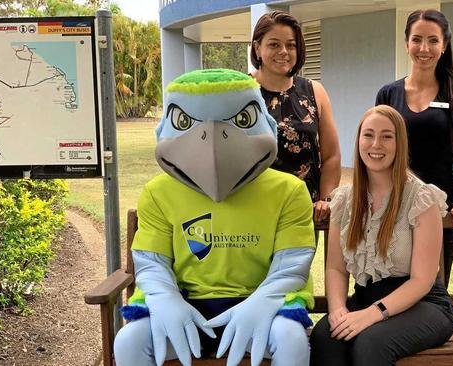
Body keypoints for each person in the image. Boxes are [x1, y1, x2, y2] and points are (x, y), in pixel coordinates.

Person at [113, 69, 315, 366]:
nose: (212, 144)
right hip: (187, 309)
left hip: (258, 307)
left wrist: (263, 301)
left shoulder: (289, 191)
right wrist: (166, 299)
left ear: (266, 123)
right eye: (184, 123)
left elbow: (291, 264)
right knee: (129, 341)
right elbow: (152, 262)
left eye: (243, 120)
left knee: (291, 339)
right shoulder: (158, 192)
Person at [309, 105, 453, 366]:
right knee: (326, 336)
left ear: (400, 143)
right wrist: (338, 310)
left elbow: (422, 280)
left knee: (371, 343)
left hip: (423, 304)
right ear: (358, 141)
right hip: (365, 298)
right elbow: (335, 268)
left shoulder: (421, 198)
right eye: (368, 135)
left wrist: (373, 314)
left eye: (387, 136)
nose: (376, 144)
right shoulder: (344, 199)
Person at [375, 9, 453, 286]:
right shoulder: (388, 94)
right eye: (417, 39)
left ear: (444, 45)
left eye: (433, 40)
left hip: (441, 207)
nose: (424, 48)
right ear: (406, 43)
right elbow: (376, 152)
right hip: (392, 206)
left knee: (434, 287)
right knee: (391, 284)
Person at [250, 10, 341, 222]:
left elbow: (331, 156)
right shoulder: (239, 93)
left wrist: (326, 200)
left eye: (290, 45)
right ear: (257, 48)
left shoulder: (315, 91)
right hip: (252, 212)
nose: (284, 51)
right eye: (274, 44)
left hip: (303, 212)